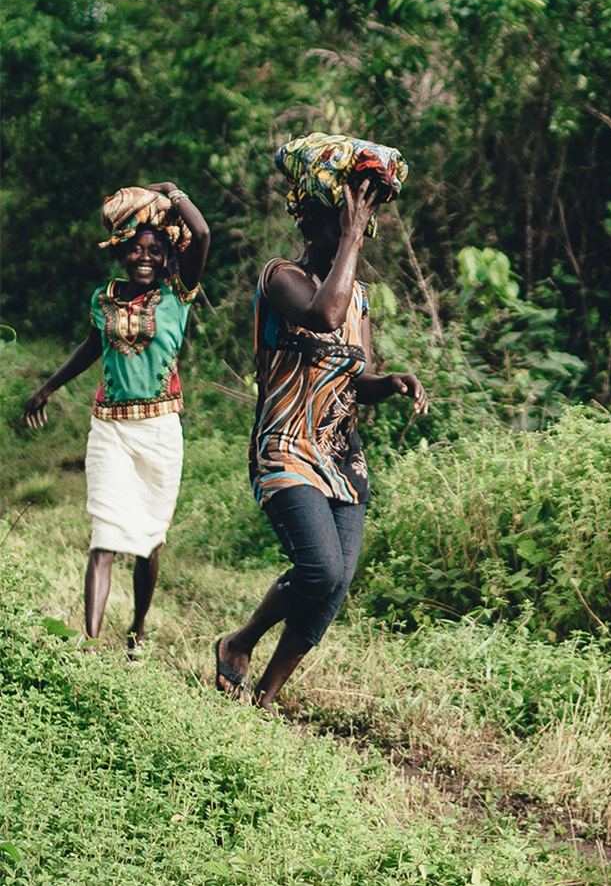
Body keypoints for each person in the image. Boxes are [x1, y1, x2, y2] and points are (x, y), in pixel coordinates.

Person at [214, 134, 427, 709]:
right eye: (343, 225)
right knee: (318, 567)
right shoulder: (279, 277)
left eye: (358, 228)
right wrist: (352, 235)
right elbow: (322, 316)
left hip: (341, 455)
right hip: (284, 446)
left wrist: (391, 383)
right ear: (309, 221)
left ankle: (266, 695)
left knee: (336, 585)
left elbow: (353, 375)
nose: (354, 237)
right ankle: (238, 644)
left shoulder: (358, 295)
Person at [21, 183, 211, 652]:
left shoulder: (178, 294)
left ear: (167, 257)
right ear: (122, 254)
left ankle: (137, 628)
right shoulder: (102, 300)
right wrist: (48, 387)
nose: (144, 257)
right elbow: (93, 346)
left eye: (154, 250)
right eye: (135, 249)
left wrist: (172, 191)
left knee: (149, 542)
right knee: (104, 537)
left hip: (161, 431)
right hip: (109, 427)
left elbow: (202, 234)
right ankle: (88, 643)